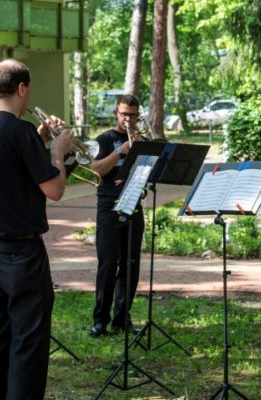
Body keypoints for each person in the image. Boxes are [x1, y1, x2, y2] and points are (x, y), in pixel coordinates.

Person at [0, 59, 73, 400]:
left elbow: (6, 166)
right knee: (28, 339)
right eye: (30, 91)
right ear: (22, 88)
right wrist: (56, 152)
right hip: (19, 252)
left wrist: (36, 140)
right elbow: (54, 189)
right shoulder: (19, 131)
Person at [89, 94, 148, 337]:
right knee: (107, 264)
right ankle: (100, 319)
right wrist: (121, 152)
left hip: (133, 205)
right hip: (108, 206)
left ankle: (123, 318)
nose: (128, 119)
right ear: (116, 113)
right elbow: (95, 171)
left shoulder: (143, 140)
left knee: (130, 265)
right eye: (124, 114)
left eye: (133, 115)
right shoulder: (104, 139)